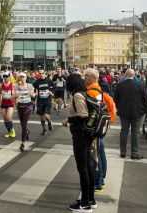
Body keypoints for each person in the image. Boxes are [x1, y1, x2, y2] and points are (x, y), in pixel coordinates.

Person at [63, 72, 96, 212]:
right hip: (86, 135)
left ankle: (85, 203)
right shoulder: (84, 92)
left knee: (83, 168)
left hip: (81, 135)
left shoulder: (77, 95)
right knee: (88, 166)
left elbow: (83, 115)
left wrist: (69, 120)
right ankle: (90, 199)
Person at [83, 68, 116, 192]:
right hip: (99, 126)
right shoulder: (98, 89)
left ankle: (98, 180)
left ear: (92, 78)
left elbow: (93, 111)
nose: (84, 78)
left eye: (86, 76)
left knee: (96, 154)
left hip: (94, 128)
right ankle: (101, 178)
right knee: (100, 152)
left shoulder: (92, 92)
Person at [114, 68, 147, 159]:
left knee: (124, 131)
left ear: (125, 75)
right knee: (135, 132)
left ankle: (123, 151)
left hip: (123, 112)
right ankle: (134, 152)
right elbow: (145, 99)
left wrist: (119, 108)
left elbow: (115, 99)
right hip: (137, 112)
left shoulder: (120, 85)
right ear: (134, 75)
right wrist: (145, 110)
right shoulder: (140, 84)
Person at [15, 72, 36, 152]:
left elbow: (33, 95)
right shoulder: (16, 86)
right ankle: (27, 131)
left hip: (28, 106)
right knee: (22, 124)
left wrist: (33, 94)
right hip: (20, 106)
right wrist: (15, 97)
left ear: (26, 78)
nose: (22, 78)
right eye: (21, 77)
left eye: (23, 77)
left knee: (24, 124)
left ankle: (22, 143)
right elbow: (14, 95)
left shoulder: (30, 85)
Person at [0, 72, 16, 138]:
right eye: (4, 76)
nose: (5, 78)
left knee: (8, 117)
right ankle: (9, 132)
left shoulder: (13, 85)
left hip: (10, 103)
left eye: (7, 76)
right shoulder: (1, 85)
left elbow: (15, 94)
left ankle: (12, 131)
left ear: (9, 77)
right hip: (3, 103)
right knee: (5, 119)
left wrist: (14, 100)